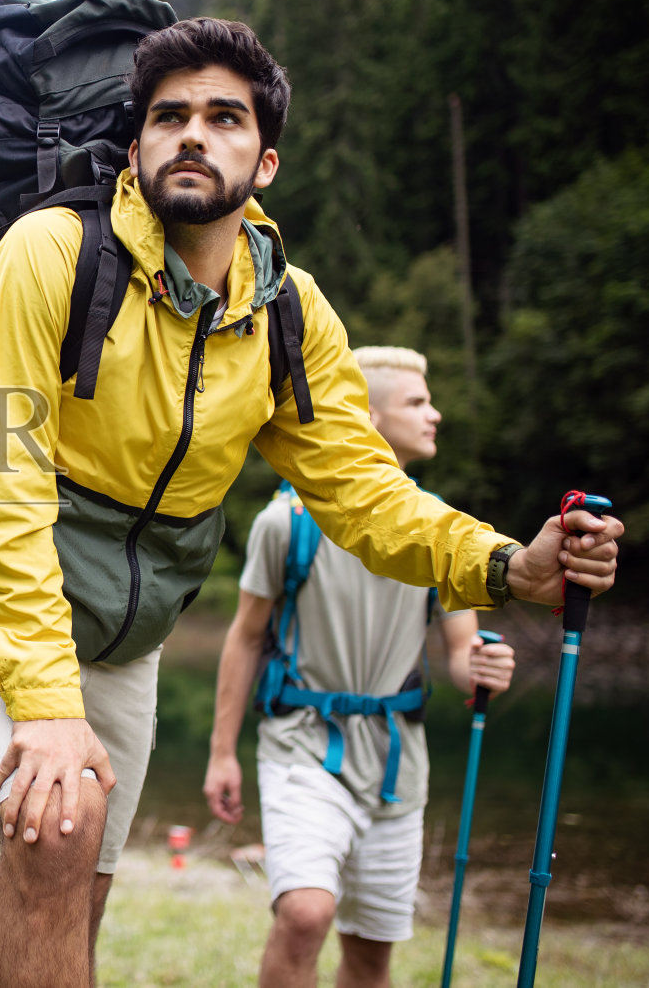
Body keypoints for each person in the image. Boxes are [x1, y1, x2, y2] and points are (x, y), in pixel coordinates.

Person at [0, 16, 622, 987]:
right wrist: (42, 701)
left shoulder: (287, 310)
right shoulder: (49, 254)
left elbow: (365, 492)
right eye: (168, 116)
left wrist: (506, 565)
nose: (192, 134)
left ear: (266, 161)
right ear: (136, 145)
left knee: (81, 879)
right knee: (59, 826)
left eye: (224, 117)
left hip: (128, 635)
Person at [202, 346, 515, 987]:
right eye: (417, 402)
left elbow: (460, 655)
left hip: (398, 766)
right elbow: (245, 637)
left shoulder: (442, 531)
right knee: (304, 913)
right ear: (368, 417)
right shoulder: (285, 522)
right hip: (303, 745)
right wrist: (222, 752)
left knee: (371, 953)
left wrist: (482, 666)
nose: (434, 414)